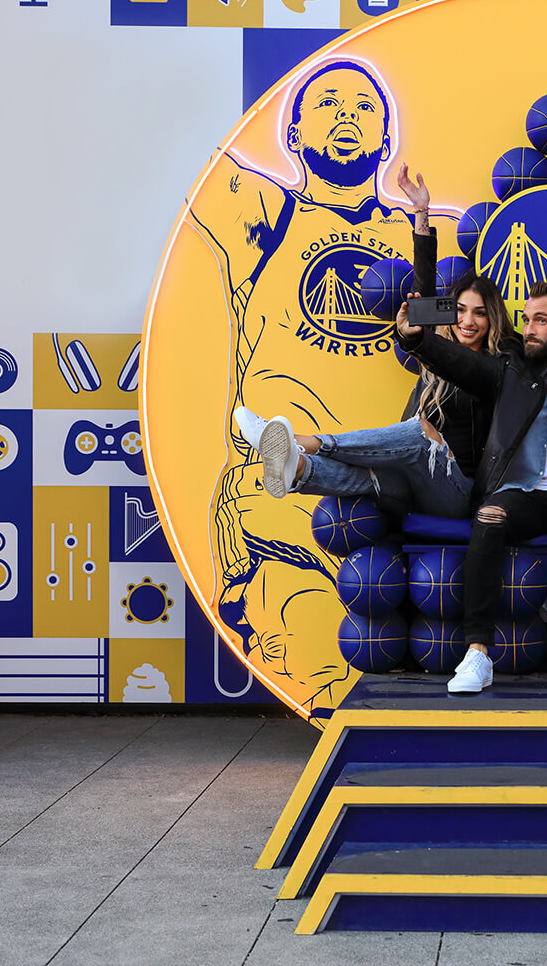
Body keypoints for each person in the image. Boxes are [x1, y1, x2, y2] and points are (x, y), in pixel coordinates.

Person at [189, 57, 460, 712]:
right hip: (279, 515)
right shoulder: (265, 214)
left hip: (387, 492)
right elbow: (210, 165)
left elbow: (451, 327)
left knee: (397, 657)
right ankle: (279, 449)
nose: (347, 114)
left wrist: (425, 254)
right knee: (327, 683)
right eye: (330, 102)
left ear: (386, 140)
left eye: (365, 106)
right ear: (294, 134)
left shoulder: (419, 233)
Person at [394, 283, 547, 696]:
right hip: (521, 491)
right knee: (489, 517)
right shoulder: (511, 371)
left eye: (541, 320)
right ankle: (477, 654)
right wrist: (417, 338)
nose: (529, 329)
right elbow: (460, 364)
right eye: (526, 320)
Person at [233, 166, 510, 519]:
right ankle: (297, 468)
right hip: (414, 483)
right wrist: (421, 213)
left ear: (492, 320)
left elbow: (460, 366)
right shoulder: (437, 359)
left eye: (480, 313)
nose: (468, 321)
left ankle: (303, 441)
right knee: (372, 473)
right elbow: (422, 299)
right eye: (459, 310)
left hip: (457, 493)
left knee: (422, 432)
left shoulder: (492, 369)